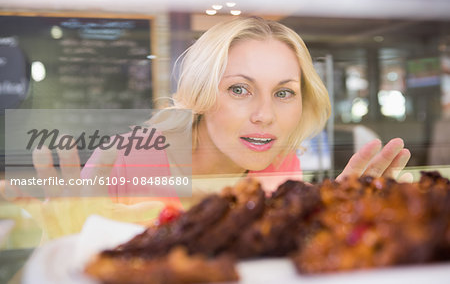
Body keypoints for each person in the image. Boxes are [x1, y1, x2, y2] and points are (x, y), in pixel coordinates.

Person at [3, 17, 411, 236]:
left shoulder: (280, 161)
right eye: (239, 89)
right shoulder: (130, 155)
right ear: (201, 93)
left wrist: (326, 219)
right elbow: (64, 241)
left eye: (284, 92)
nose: (265, 115)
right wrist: (64, 240)